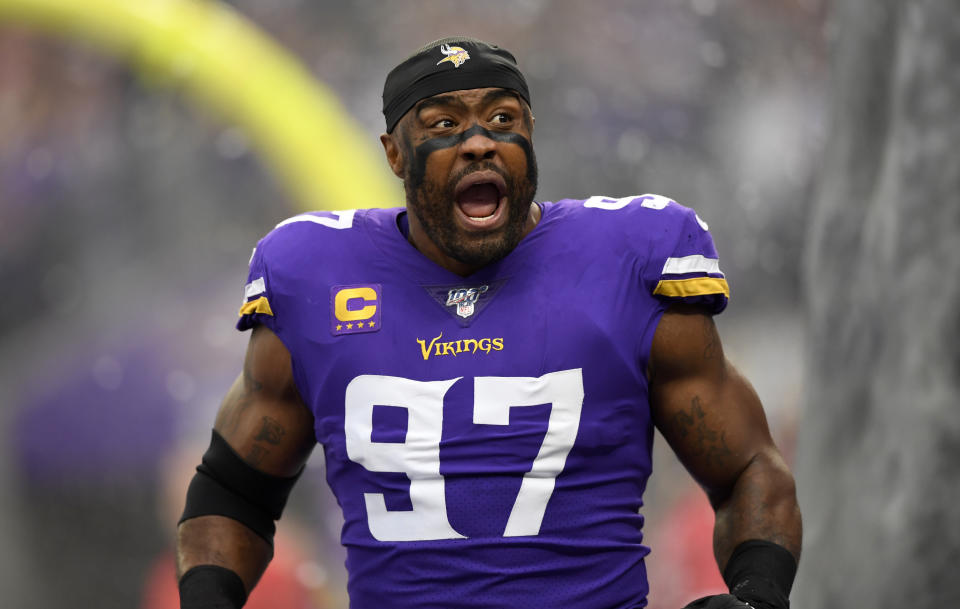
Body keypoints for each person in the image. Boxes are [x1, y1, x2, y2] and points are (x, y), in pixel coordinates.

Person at [176, 37, 802, 609]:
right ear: (395, 154)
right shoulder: (315, 274)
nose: (478, 141)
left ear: (531, 133)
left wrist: (758, 596)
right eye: (443, 124)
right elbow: (234, 492)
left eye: (502, 118)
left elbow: (747, 467)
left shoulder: (626, 260)